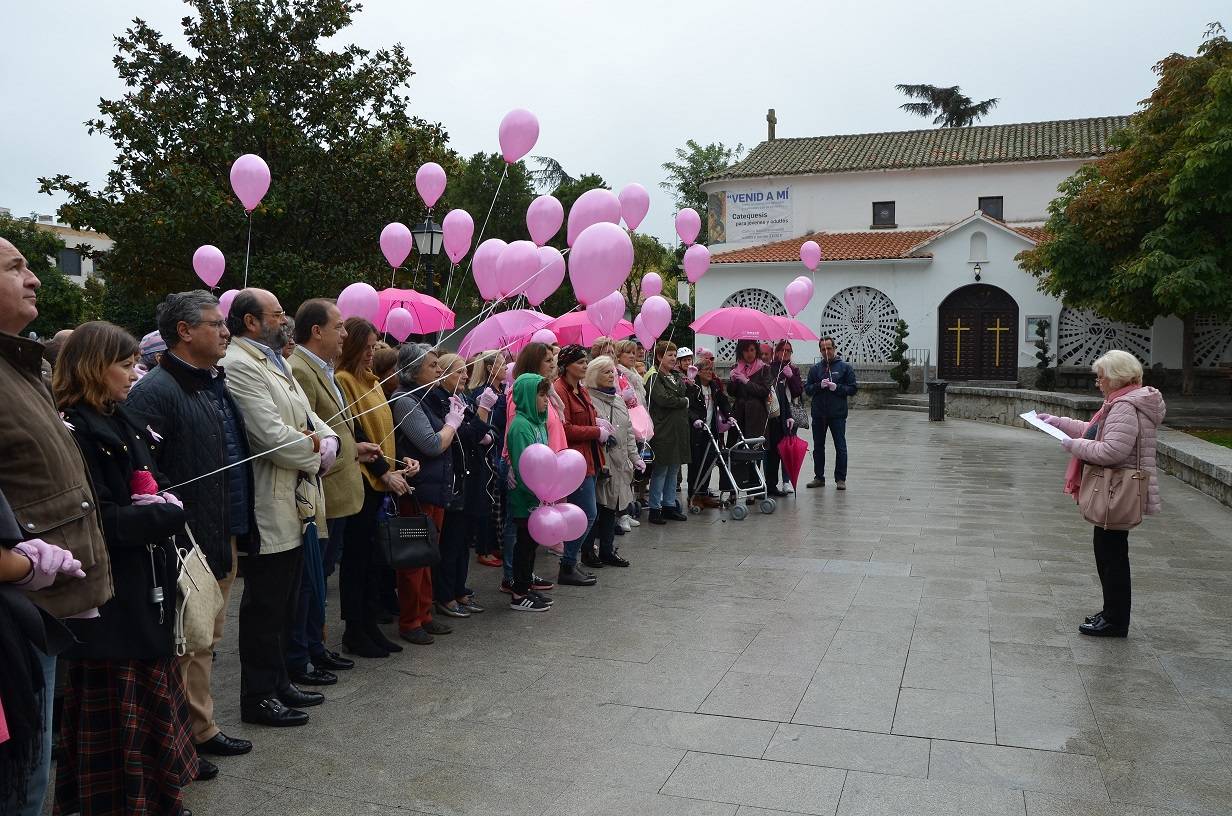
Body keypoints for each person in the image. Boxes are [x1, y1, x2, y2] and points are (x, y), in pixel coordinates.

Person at [51, 321, 196, 816]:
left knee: (149, 697)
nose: (136, 372)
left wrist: (165, 498)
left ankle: (156, 798)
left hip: (146, 585)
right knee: (117, 710)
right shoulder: (76, 428)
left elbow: (151, 480)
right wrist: (159, 513)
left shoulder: (121, 417)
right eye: (125, 363)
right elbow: (94, 518)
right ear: (94, 366)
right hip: (113, 595)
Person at [0, 237, 110, 816]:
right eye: (15, 267)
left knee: (33, 772)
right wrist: (24, 562)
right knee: (19, 782)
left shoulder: (22, 369)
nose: (35, 277)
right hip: (16, 616)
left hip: (39, 613)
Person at [126, 290, 256, 768]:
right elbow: (143, 477)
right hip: (185, 543)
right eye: (215, 323)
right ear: (184, 332)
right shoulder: (157, 392)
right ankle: (181, 741)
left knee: (205, 642)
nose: (226, 331)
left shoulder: (210, 382)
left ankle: (201, 728)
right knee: (184, 644)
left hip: (219, 532)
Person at [221, 288, 338, 728]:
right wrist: (315, 452)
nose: (284, 319)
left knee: (288, 597)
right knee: (265, 604)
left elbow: (310, 419)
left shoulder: (278, 362)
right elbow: (268, 435)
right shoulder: (238, 365)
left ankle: (280, 680)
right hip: (269, 498)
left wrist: (329, 443)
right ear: (251, 322)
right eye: (277, 314)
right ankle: (258, 695)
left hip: (296, 496)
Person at [1037, 350, 1166, 638]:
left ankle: (1115, 620)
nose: (1098, 382)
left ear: (1117, 376)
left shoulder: (1124, 406)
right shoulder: (1123, 401)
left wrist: (1073, 446)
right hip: (1115, 488)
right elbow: (1094, 431)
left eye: (1101, 377)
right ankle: (1111, 613)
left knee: (1112, 557)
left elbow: (1111, 450)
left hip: (1117, 489)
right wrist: (1057, 422)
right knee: (1109, 554)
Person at [287, 299, 379, 685]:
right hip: (322, 489)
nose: (344, 333)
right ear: (317, 331)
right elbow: (307, 430)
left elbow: (333, 428)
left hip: (340, 485)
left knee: (321, 575)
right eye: (338, 326)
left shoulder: (320, 368)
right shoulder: (301, 369)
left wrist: (353, 447)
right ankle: (305, 651)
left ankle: (315, 646)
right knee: (312, 576)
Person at [334, 318, 414, 658]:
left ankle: (369, 625)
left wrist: (401, 461)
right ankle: (356, 628)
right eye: (367, 347)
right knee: (357, 560)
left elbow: (383, 432)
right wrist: (383, 472)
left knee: (371, 561)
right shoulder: (344, 380)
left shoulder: (371, 382)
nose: (373, 353)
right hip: (364, 482)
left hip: (379, 479)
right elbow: (356, 433)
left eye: (374, 346)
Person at [389, 344, 463, 645]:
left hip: (435, 488)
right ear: (413, 370)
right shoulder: (406, 401)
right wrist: (451, 426)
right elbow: (431, 445)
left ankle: (425, 613)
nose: (438, 370)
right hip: (417, 491)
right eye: (432, 365)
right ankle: (410, 621)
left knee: (428, 554)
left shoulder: (428, 397)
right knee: (414, 559)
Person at [432, 353, 495, 618]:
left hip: (470, 476)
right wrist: (483, 413)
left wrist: (486, 430)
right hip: (455, 478)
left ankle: (459, 588)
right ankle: (445, 594)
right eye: (459, 372)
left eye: (465, 372)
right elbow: (467, 434)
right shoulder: (438, 399)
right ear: (444, 374)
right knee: (452, 541)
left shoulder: (463, 398)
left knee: (462, 540)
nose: (465, 376)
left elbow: (478, 433)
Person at [553, 345, 607, 580]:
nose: (585, 365)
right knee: (587, 513)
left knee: (585, 513)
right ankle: (567, 563)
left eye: (586, 361)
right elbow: (564, 428)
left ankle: (571, 562)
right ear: (566, 366)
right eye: (580, 362)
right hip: (573, 461)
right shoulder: (559, 389)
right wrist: (596, 431)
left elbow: (588, 417)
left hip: (589, 458)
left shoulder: (580, 389)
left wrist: (600, 424)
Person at [505, 373, 554, 612]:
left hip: (539, 495)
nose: (546, 400)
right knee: (524, 544)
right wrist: (538, 493)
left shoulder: (538, 422)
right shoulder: (521, 426)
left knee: (531, 544)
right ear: (527, 396)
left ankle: (527, 586)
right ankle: (519, 593)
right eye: (542, 395)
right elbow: (524, 466)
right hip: (526, 496)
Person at [585, 356, 640, 566]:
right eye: (606, 372)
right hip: (601, 462)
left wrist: (634, 458)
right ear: (594, 375)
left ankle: (607, 550)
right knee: (595, 509)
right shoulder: (589, 398)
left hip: (619, 462)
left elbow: (628, 433)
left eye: (613, 372)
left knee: (611, 509)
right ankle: (588, 551)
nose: (611, 375)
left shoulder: (617, 399)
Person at [466, 351, 505, 568]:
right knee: (486, 499)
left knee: (495, 502)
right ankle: (484, 547)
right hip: (489, 452)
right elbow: (489, 423)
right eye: (501, 364)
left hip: (497, 446)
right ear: (490, 368)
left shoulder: (500, 389)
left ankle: (492, 544)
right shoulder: (484, 392)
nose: (505, 368)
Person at [645, 341, 690, 524]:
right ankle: (655, 508)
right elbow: (663, 399)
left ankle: (669, 505)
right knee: (661, 469)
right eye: (669, 355)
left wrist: (681, 399)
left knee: (674, 468)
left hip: (677, 428)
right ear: (659, 357)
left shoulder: (675, 376)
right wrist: (683, 401)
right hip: (663, 429)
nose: (673, 359)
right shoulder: (654, 376)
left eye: (674, 355)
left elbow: (682, 392)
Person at [804, 337, 858, 490]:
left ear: (834, 348)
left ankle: (840, 478)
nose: (826, 352)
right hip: (819, 414)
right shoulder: (815, 369)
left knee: (840, 446)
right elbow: (807, 389)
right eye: (823, 349)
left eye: (829, 348)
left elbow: (853, 388)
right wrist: (818, 386)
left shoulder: (844, 367)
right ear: (820, 350)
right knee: (818, 447)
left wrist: (838, 388)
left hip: (837, 414)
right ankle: (819, 477)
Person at [687, 351, 731, 507]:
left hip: (711, 430)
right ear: (698, 372)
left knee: (708, 462)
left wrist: (729, 415)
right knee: (696, 463)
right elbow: (689, 407)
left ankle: (703, 493)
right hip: (697, 429)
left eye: (711, 370)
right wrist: (695, 419)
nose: (709, 373)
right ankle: (693, 495)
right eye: (705, 370)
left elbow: (724, 402)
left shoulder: (714, 387)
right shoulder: (693, 387)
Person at [765, 340, 804, 496]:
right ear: (777, 352)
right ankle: (770, 482)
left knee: (789, 447)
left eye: (788, 350)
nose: (785, 353)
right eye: (782, 350)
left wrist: (791, 377)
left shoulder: (794, 369)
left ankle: (787, 481)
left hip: (791, 413)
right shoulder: (772, 368)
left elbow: (797, 391)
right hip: (775, 412)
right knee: (773, 449)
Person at [727, 338, 773, 441]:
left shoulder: (764, 368)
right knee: (736, 448)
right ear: (741, 352)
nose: (749, 353)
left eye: (752, 350)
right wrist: (733, 381)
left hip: (757, 414)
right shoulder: (736, 367)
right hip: (739, 412)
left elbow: (764, 391)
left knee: (754, 447)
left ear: (756, 351)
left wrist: (746, 382)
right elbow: (731, 393)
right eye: (746, 350)